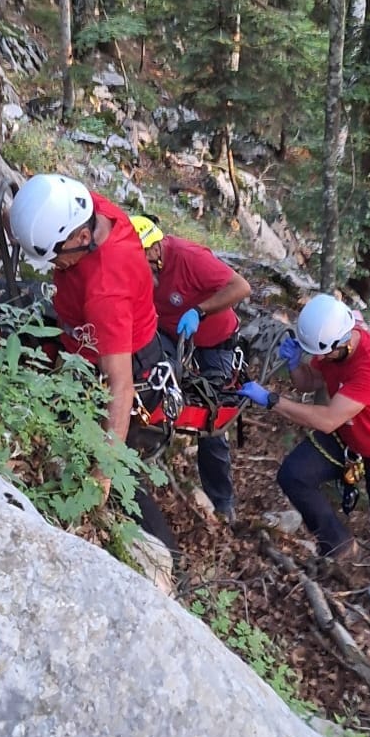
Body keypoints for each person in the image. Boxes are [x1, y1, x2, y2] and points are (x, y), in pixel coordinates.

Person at [7, 172, 177, 542]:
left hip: (130, 369)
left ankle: (166, 556)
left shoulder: (106, 291)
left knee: (117, 471)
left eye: (57, 257)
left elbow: (120, 385)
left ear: (82, 239)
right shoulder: (87, 208)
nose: (55, 265)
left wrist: (101, 474)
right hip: (84, 342)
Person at [239, 291, 370, 570]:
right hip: (348, 437)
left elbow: (327, 419)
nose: (320, 358)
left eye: (323, 354)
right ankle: (337, 544)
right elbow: (309, 382)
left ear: (342, 343)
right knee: (294, 475)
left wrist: (272, 400)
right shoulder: (332, 345)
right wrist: (296, 365)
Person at [129, 213, 250, 521]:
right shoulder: (139, 267)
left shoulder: (188, 258)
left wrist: (200, 310)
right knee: (149, 385)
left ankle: (222, 502)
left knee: (211, 417)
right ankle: (139, 454)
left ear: (155, 250)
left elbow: (241, 287)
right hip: (168, 335)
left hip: (216, 341)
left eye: (139, 259)